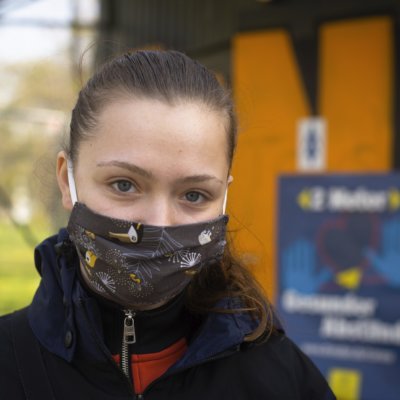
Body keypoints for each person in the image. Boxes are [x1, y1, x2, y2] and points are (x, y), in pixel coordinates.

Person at [0, 50, 336, 399]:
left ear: (223, 197)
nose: (159, 225)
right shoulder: (10, 364)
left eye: (193, 195)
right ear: (66, 181)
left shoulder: (281, 379)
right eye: (124, 185)